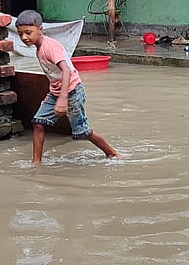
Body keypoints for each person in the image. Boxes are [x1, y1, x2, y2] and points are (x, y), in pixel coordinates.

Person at [14, 9, 119, 163]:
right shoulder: (39, 48)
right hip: (56, 92)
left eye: (28, 33)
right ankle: (36, 162)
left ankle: (112, 153)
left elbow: (67, 71)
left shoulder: (50, 47)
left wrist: (63, 98)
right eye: (21, 34)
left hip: (72, 91)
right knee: (38, 123)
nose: (24, 37)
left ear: (40, 29)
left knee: (83, 132)